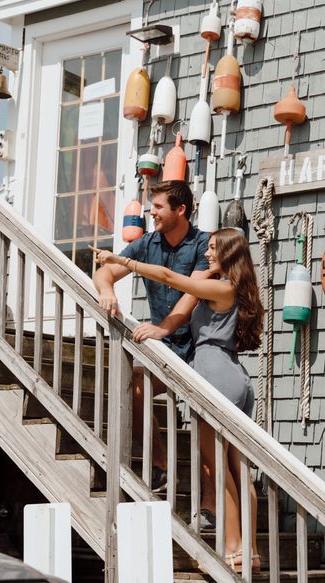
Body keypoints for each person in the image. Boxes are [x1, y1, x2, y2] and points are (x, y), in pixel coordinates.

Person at [93, 228, 263, 572]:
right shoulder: (233, 287)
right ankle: (251, 553)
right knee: (238, 469)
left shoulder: (221, 287)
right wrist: (166, 328)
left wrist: (122, 260)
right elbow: (186, 297)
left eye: (214, 249)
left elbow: (170, 277)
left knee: (218, 469)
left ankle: (233, 548)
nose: (208, 253)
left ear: (230, 254)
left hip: (215, 376)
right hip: (235, 377)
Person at [92, 180, 210, 495]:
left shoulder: (203, 244)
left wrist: (164, 328)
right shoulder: (147, 243)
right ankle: (161, 466)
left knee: (210, 433)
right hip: (167, 349)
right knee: (136, 385)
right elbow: (105, 271)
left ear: (180, 209)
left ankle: (211, 503)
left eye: (158, 207)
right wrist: (106, 291)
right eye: (151, 206)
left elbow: (192, 295)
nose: (151, 212)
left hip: (202, 349)